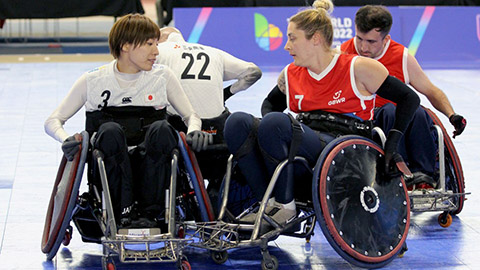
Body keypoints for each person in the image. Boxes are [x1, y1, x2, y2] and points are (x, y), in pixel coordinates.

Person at [224, 0, 420, 226]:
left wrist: (392, 143)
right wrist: (269, 132)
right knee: (237, 122)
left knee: (276, 123)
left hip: (344, 148)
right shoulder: (291, 73)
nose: (287, 46)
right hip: (307, 138)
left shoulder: (358, 67)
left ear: (315, 39)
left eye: (292, 38)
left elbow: (409, 98)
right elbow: (269, 104)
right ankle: (267, 202)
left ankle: (286, 208)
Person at [44, 14, 211, 228]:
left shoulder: (162, 76)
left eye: (156, 44)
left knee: (163, 128)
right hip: (109, 162)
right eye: (149, 44)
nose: (157, 51)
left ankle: (151, 213)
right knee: (111, 131)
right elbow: (53, 120)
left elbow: (191, 116)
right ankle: (123, 211)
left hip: (151, 160)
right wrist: (66, 139)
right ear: (126, 46)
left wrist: (193, 130)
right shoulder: (93, 80)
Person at [340, 5, 467, 189]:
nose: (363, 47)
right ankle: (400, 173)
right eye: (359, 38)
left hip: (400, 117)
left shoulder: (401, 57)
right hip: (365, 120)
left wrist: (452, 115)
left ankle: (423, 176)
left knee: (417, 110)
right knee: (391, 111)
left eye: (371, 41)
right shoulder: (344, 53)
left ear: (386, 39)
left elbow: (430, 91)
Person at [155, 27, 262, 206]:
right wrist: (226, 93)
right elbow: (253, 72)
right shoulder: (213, 52)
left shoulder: (159, 52)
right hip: (218, 137)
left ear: (159, 40)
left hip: (183, 136)